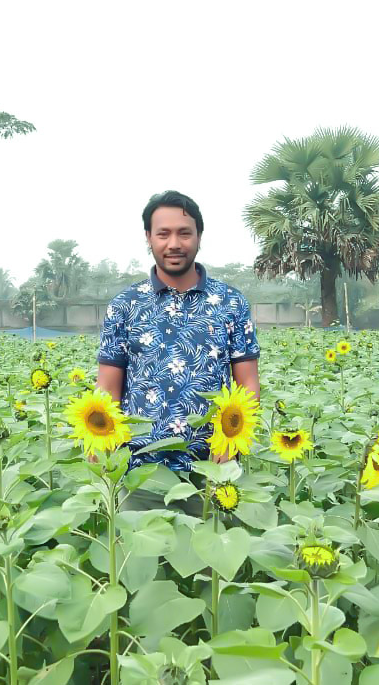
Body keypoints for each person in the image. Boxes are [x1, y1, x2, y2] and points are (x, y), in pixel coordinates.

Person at [95, 190, 261, 485]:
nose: (174, 244)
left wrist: (233, 441)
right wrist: (100, 443)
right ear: (149, 237)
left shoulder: (230, 302)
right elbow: (108, 388)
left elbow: (247, 382)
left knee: (216, 532)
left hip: (213, 464)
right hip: (138, 470)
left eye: (185, 233)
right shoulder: (125, 304)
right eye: (163, 234)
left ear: (199, 236)